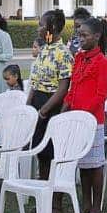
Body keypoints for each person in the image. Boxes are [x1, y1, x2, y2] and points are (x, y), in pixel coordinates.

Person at [63, 16, 107, 213]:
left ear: (97, 36)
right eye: (79, 35)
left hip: (93, 120)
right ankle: (85, 202)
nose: (80, 39)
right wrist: (66, 107)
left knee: (96, 165)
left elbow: (101, 94)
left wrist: (84, 113)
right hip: (77, 118)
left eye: (84, 35)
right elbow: (73, 87)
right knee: (83, 163)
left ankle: (96, 206)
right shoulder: (80, 58)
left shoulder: (102, 62)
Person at [27, 10, 72, 182]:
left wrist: (44, 110)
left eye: (41, 25)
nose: (38, 28)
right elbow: (35, 80)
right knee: (41, 150)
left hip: (52, 105)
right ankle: (43, 188)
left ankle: (55, 196)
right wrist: (29, 102)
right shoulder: (45, 49)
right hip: (38, 101)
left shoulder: (63, 53)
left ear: (51, 28)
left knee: (52, 150)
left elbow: (63, 87)